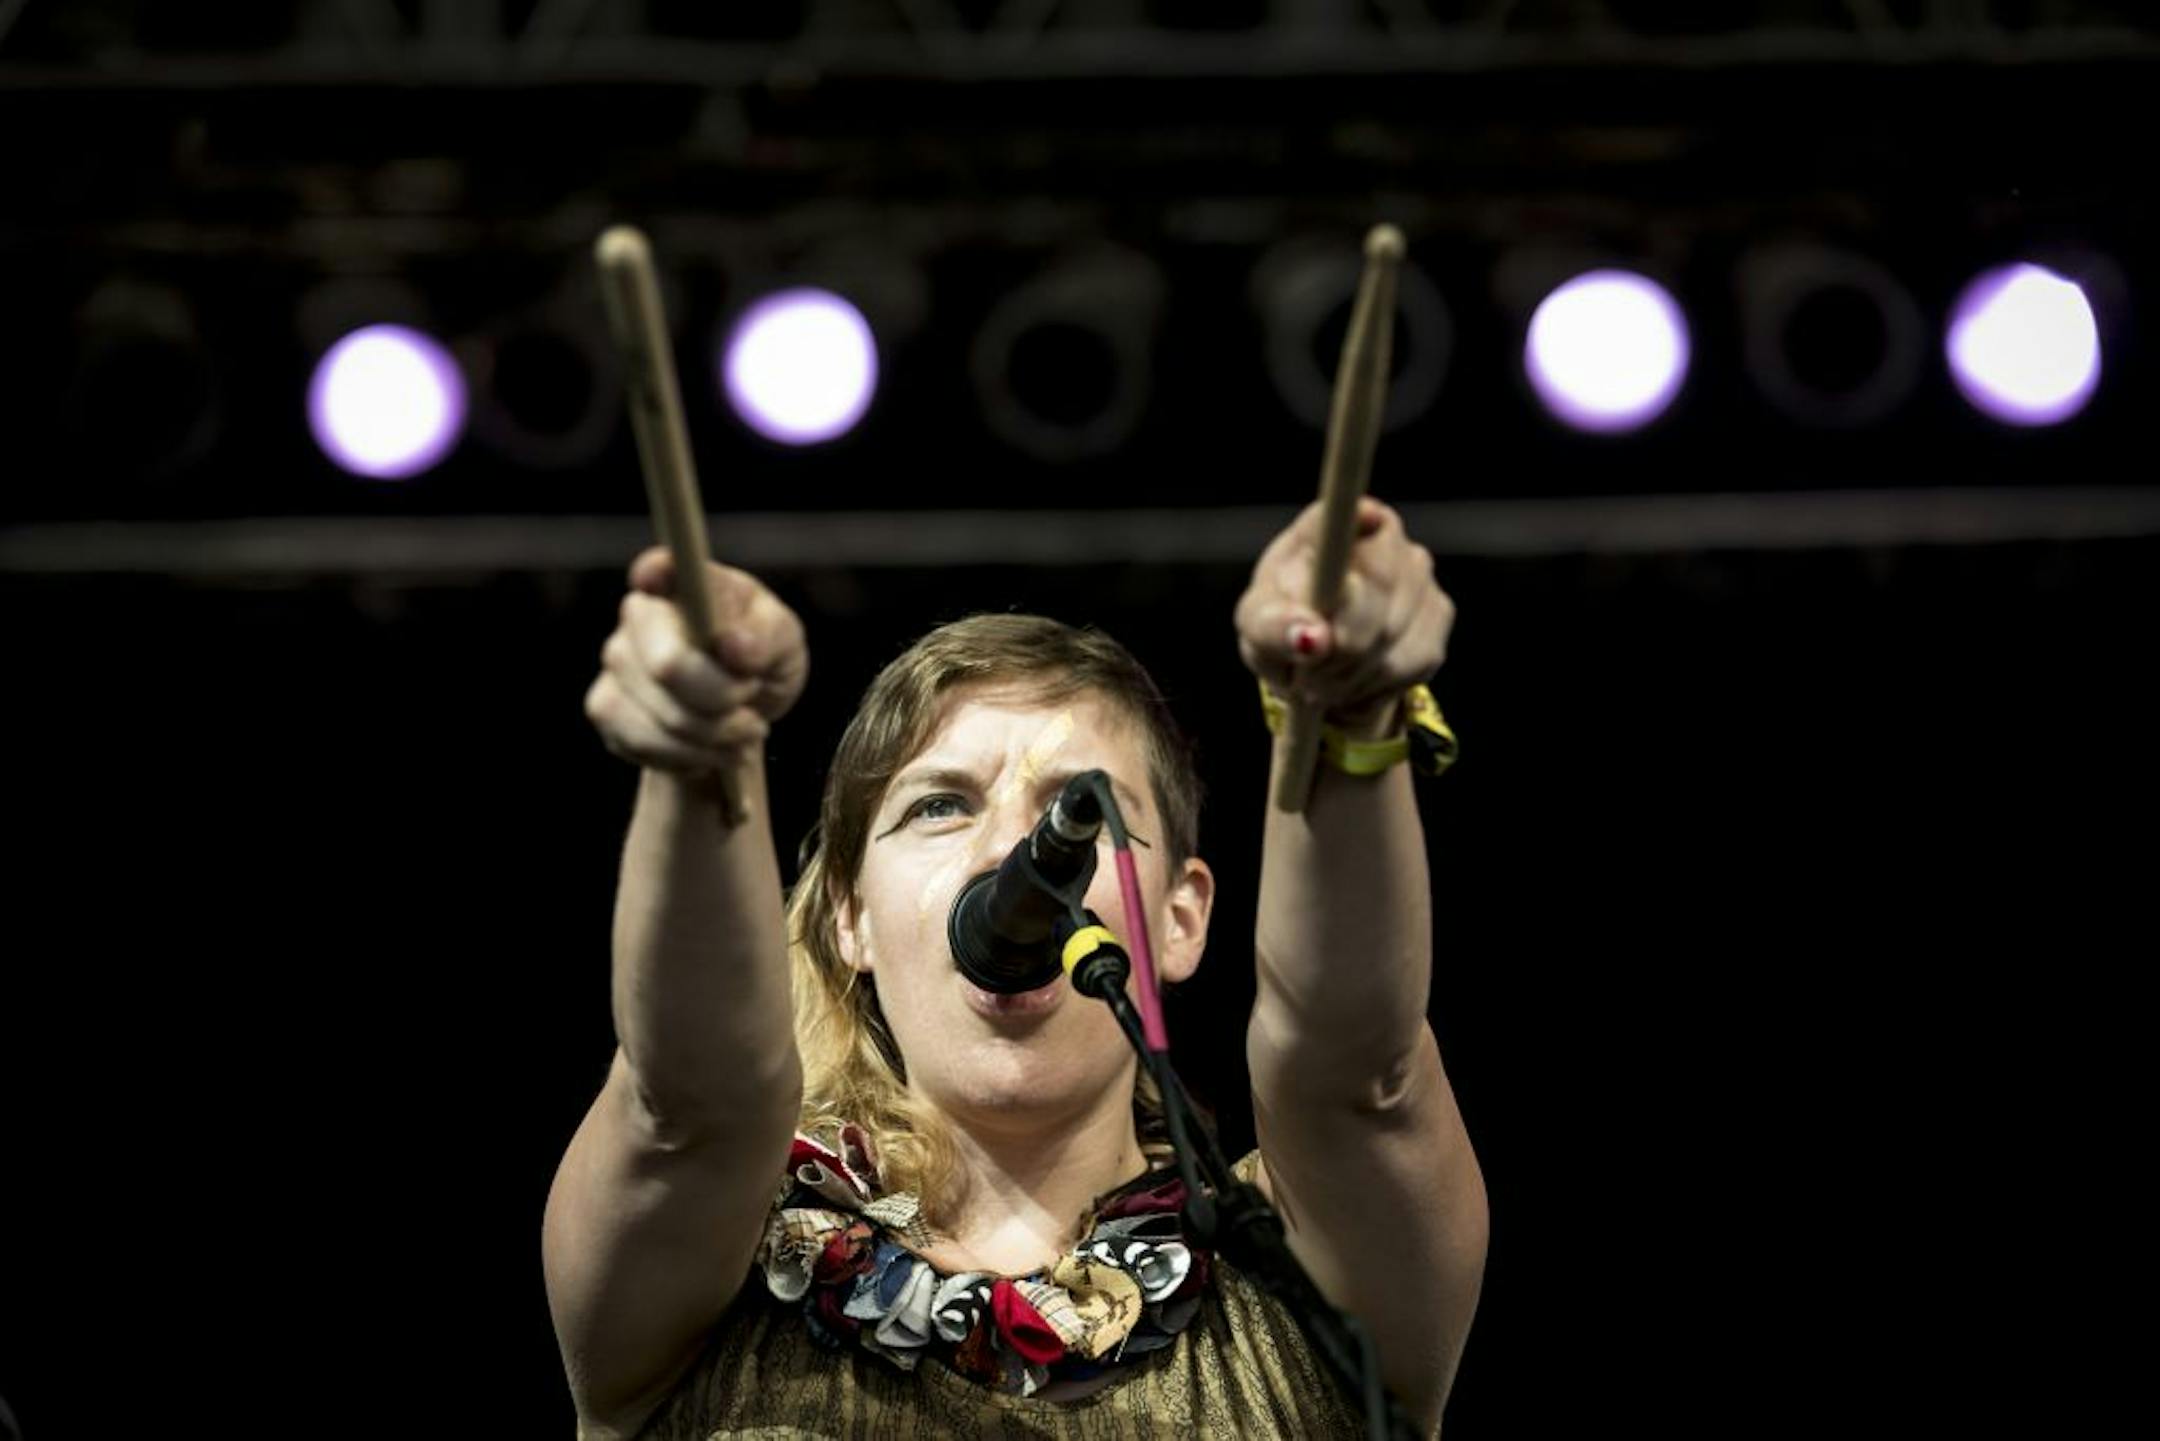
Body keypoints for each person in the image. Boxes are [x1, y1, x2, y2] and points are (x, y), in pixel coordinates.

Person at [545, 498, 1487, 1438]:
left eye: (1082, 805)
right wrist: (702, 758)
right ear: (850, 918)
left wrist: (1345, 711)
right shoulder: (723, 1263)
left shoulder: (1294, 1275)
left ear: (1180, 917)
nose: (1013, 848)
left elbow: (1359, 1076)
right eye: (940, 807)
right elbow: (691, 1108)